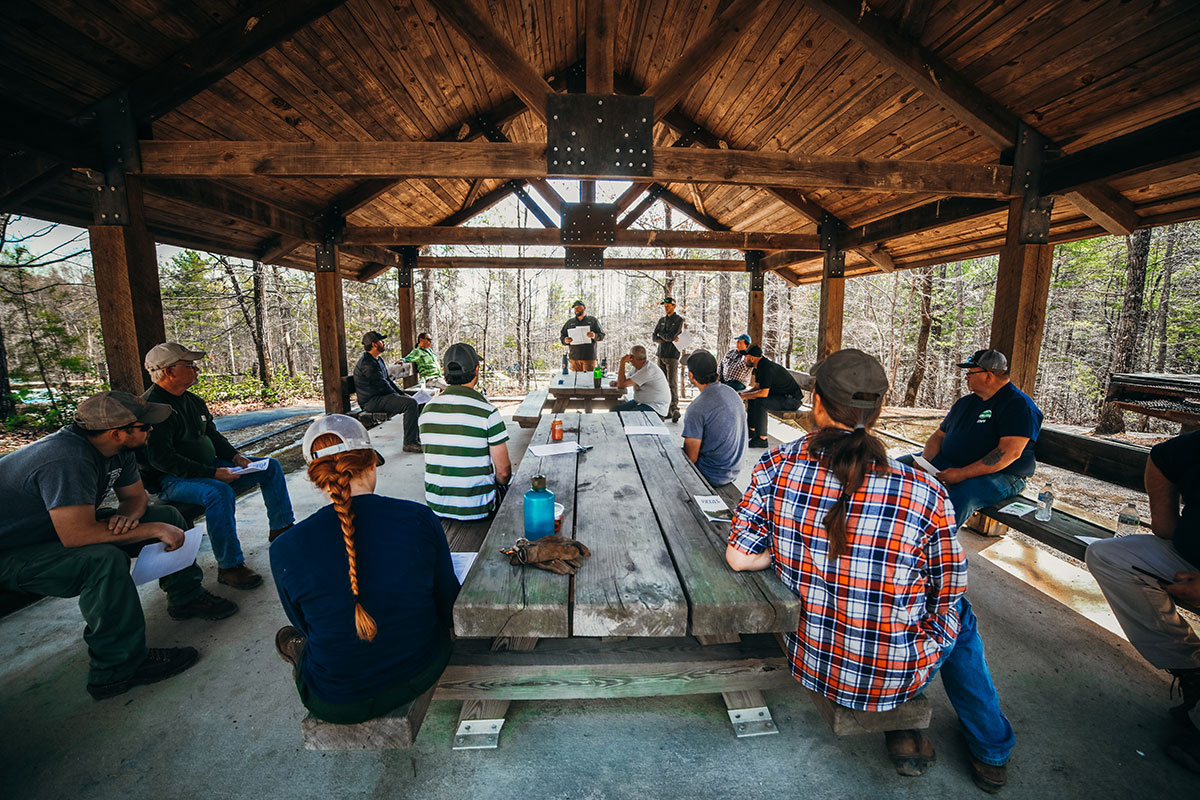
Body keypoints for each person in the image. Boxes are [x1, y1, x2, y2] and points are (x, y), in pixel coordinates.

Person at [726, 349, 1014, 792]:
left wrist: (786, 553)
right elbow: (950, 588)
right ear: (877, 411)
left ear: (817, 403)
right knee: (961, 613)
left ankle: (909, 723)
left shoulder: (776, 466)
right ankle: (990, 749)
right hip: (893, 671)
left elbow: (740, 557)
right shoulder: (923, 490)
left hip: (812, 661)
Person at [0, 391, 238, 700]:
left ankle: (186, 596)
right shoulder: (67, 459)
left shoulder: (120, 448)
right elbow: (76, 536)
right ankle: (116, 668)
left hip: (53, 528)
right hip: (12, 550)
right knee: (103, 559)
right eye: (145, 426)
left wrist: (130, 517)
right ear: (117, 432)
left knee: (168, 515)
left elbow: (135, 497)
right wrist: (149, 529)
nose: (151, 430)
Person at [271, 414, 458, 724]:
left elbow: (305, 624)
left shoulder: (284, 548)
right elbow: (447, 605)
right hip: (422, 669)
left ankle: (297, 654)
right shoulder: (420, 519)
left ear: (316, 476)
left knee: (302, 636)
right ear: (371, 463)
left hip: (338, 699)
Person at [1085, 430, 1200, 774]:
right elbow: (1162, 459)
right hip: (1188, 557)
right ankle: (1192, 669)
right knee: (1108, 557)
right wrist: (1166, 523)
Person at [141, 342, 296, 590]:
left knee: (270, 467)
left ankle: (282, 529)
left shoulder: (192, 401)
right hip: (172, 480)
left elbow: (212, 436)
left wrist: (235, 457)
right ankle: (230, 566)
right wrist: (212, 473)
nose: (196, 369)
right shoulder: (151, 408)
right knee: (218, 492)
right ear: (168, 371)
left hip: (209, 467)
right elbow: (162, 460)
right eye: (188, 365)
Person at [900, 349, 1042, 533]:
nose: (966, 378)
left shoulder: (1019, 406)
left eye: (970, 373)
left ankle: (932, 548)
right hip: (952, 462)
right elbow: (938, 436)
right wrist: (925, 461)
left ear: (988, 375)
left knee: (962, 495)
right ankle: (890, 528)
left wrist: (962, 474)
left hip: (1002, 474)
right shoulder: (965, 403)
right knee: (899, 468)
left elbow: (1008, 454)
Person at [418, 343, 512, 521]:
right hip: (478, 507)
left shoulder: (427, 411)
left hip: (436, 505)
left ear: (445, 372)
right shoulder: (487, 412)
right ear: (476, 370)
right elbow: (504, 472)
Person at [681, 350, 747, 487]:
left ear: (691, 376)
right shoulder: (732, 393)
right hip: (734, 469)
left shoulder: (696, 408)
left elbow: (690, 458)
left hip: (711, 473)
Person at [354, 330, 422, 453]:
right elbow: (381, 385)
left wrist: (402, 393)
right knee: (410, 403)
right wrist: (401, 396)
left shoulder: (377, 359)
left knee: (418, 397)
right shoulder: (367, 363)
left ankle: (416, 436)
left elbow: (388, 381)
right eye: (381, 341)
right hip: (372, 401)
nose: (383, 343)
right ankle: (409, 443)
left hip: (381, 396)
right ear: (374, 344)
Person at [739, 344, 802, 447]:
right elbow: (757, 388)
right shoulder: (760, 366)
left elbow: (764, 393)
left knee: (761, 402)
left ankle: (761, 439)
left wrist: (744, 397)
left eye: (745, 356)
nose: (744, 359)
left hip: (792, 400)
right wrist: (743, 395)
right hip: (782, 397)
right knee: (753, 398)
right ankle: (752, 431)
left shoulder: (766, 368)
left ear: (752, 357)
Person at [610, 345, 671, 417]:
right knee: (614, 410)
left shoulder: (648, 370)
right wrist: (617, 382)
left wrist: (622, 362)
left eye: (630, 355)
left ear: (632, 358)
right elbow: (624, 381)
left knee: (628, 416)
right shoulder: (636, 368)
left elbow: (622, 384)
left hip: (655, 406)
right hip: (641, 401)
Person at [652, 296, 685, 422]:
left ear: (674, 306)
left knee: (672, 383)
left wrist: (661, 335)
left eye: (668, 306)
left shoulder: (678, 320)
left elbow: (671, 337)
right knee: (662, 383)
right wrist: (663, 336)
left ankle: (674, 409)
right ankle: (664, 410)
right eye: (664, 306)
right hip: (660, 354)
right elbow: (654, 337)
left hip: (672, 356)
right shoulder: (661, 320)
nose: (666, 308)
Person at [560, 300, 605, 372]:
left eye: (579, 308)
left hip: (589, 357)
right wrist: (565, 340)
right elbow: (562, 336)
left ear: (584, 308)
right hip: (574, 358)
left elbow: (602, 335)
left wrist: (594, 335)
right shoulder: (570, 322)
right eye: (575, 308)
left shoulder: (593, 320)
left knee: (588, 381)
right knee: (575, 381)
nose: (576, 310)